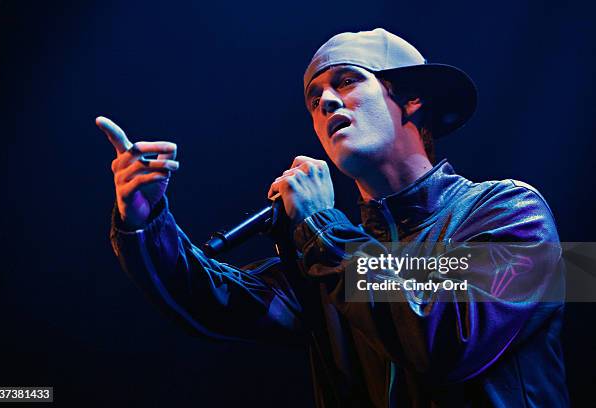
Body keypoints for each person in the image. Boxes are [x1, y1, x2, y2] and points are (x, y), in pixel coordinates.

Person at [97, 28, 568, 407]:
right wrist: (144, 218)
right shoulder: (327, 258)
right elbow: (209, 301)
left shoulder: (511, 213)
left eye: (346, 80)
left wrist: (321, 228)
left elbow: (444, 341)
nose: (325, 102)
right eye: (313, 97)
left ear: (411, 99)